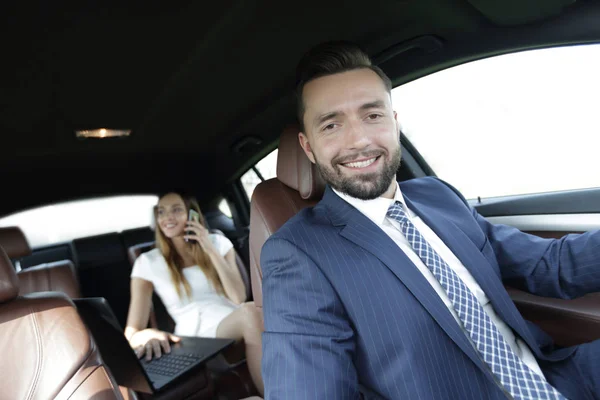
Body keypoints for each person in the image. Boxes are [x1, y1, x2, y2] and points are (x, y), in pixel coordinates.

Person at [260, 41, 600, 399]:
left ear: (394, 122)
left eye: (372, 115)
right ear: (309, 147)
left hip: (559, 378)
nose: (358, 140)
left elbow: (549, 265)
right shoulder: (298, 253)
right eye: (331, 125)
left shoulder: (438, 197)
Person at [125, 192, 263, 395]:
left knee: (254, 313)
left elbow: (238, 297)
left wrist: (208, 247)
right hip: (197, 338)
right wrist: (149, 334)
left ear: (192, 214)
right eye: (161, 212)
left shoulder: (218, 243)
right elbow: (132, 332)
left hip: (234, 323)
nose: (167, 217)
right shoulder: (147, 262)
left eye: (176, 210)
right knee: (251, 312)